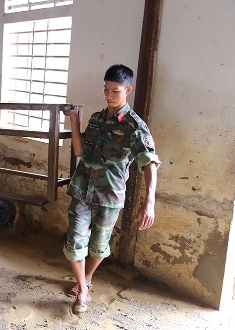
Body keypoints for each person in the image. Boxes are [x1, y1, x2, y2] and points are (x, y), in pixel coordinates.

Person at [62, 64, 161, 313]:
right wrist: (75, 121)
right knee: (74, 241)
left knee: (99, 245)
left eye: (114, 91)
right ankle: (82, 289)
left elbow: (149, 162)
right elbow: (79, 151)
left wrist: (149, 201)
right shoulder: (97, 119)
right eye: (105, 90)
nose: (108, 95)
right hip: (82, 190)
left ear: (127, 90)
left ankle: (87, 278)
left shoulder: (134, 126)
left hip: (109, 195)